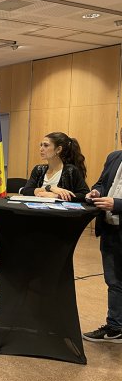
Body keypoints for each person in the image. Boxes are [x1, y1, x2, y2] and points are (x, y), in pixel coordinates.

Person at [0, 131, 90, 281]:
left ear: (58, 149)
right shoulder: (39, 170)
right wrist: (50, 188)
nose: (41, 149)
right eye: (41, 145)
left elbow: (84, 195)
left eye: (46, 145)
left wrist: (56, 196)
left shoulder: (70, 171)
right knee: (6, 225)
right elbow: (27, 190)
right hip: (33, 214)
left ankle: (14, 268)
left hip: (55, 219)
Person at [83, 129, 122, 343]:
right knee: (113, 280)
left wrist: (116, 204)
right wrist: (96, 192)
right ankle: (115, 326)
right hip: (110, 229)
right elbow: (101, 183)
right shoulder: (114, 157)